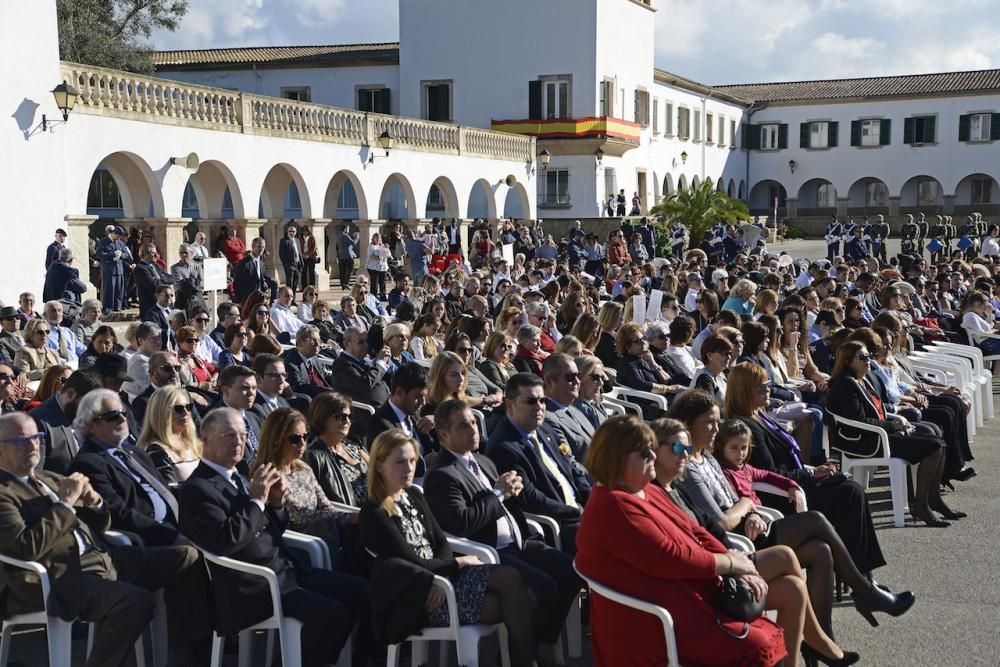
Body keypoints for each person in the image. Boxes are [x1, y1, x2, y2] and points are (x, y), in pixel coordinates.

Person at [645, 417, 865, 666]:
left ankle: (813, 646)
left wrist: (742, 542)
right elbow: (698, 539)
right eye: (677, 448)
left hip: (725, 558)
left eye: (686, 448)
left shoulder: (677, 487)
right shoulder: (658, 493)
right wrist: (734, 566)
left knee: (796, 585)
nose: (684, 454)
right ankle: (822, 640)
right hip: (704, 582)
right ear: (654, 450)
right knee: (790, 549)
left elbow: (709, 532)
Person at [574, 414, 789, 667]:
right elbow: (670, 556)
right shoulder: (613, 504)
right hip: (652, 617)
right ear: (616, 460)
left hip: (685, 591)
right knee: (756, 642)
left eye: (652, 449)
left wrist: (738, 566)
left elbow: (695, 531)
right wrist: (731, 565)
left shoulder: (646, 490)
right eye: (644, 454)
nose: (653, 457)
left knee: (783, 601)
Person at [0, 412, 212, 666]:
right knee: (134, 603)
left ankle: (184, 651)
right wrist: (66, 503)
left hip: (102, 558)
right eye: (22, 440)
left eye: (37, 437)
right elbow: (26, 548)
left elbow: (102, 525)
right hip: (57, 577)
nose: (33, 445)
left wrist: (95, 503)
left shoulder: (49, 479)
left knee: (187, 556)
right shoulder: (4, 493)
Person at [178, 408, 369, 666]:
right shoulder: (197, 489)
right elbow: (225, 541)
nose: (238, 442)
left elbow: (269, 531)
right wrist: (257, 501)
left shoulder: (239, 477)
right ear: (206, 439)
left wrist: (276, 506)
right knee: (333, 615)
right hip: (254, 584)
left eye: (243, 435)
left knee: (362, 591)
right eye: (229, 435)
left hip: (286, 570)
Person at [360, 429, 539, 666]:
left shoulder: (413, 494)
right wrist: (455, 565)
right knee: (521, 596)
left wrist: (441, 573)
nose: (409, 468)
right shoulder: (374, 512)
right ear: (380, 466)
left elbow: (441, 542)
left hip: (440, 581)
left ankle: (523, 662)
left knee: (519, 587)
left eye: (413, 461)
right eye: (400, 462)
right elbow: (408, 562)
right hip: (417, 598)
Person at [424, 399, 584, 656]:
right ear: (444, 434)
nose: (474, 429)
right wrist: (498, 494)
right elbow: (462, 524)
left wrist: (511, 491)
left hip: (519, 542)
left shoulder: (482, 461)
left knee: (572, 570)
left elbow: (505, 501)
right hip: (490, 551)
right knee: (544, 587)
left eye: (474, 422)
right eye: (464, 426)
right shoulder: (442, 474)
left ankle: (543, 641)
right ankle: (525, 656)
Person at [826, 341, 961, 526]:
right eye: (863, 357)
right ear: (848, 361)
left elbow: (875, 411)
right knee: (934, 446)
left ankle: (934, 498)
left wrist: (895, 420)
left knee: (938, 441)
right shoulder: (844, 386)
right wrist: (893, 425)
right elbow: (858, 421)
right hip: (865, 442)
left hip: (878, 434)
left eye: (869, 357)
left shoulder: (861, 380)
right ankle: (921, 505)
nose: (868, 361)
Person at [486, 373, 590, 554]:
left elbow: (571, 468)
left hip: (579, 510)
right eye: (531, 402)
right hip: (558, 523)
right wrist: (577, 513)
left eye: (542, 401)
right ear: (510, 406)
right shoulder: (503, 447)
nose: (540, 407)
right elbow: (532, 499)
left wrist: (591, 499)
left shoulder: (544, 428)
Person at [252, 407, 351, 554]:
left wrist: (349, 518)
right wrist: (348, 518)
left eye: (305, 437)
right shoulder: (266, 476)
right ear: (276, 440)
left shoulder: (303, 468)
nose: (303, 444)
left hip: (323, 534)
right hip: (299, 545)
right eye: (295, 439)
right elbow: (300, 517)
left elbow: (325, 506)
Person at [367, 362, 435, 475]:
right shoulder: (380, 423)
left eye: (424, 397)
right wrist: (424, 463)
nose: (423, 403)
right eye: (418, 397)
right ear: (399, 393)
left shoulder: (414, 415)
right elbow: (391, 466)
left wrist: (438, 421)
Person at [306, 392, 369, 507]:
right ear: (323, 418)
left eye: (350, 417)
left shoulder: (353, 444)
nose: (347, 421)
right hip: (353, 515)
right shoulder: (314, 457)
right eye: (342, 417)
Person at [136, 384, 202, 486]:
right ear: (161, 413)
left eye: (189, 407)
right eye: (179, 409)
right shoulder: (156, 450)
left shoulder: (195, 444)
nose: (186, 413)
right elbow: (170, 493)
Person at [541, 353, 594, 460]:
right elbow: (568, 463)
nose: (577, 382)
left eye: (578, 376)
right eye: (570, 377)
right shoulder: (546, 418)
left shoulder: (574, 410)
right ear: (549, 381)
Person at [330, 325, 391, 413]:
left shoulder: (364, 360)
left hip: (384, 406)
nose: (366, 345)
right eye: (361, 342)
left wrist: (385, 361)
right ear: (347, 344)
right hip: (367, 413)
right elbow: (364, 384)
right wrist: (380, 363)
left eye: (367, 341)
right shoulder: (341, 364)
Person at [282, 324, 334, 397]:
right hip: (314, 401)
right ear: (299, 342)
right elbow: (300, 387)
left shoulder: (313, 357)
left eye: (319, 340)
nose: (317, 344)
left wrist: (342, 381)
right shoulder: (291, 363)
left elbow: (324, 375)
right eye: (312, 340)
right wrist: (328, 392)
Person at [97, 225, 132, 314]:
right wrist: (112, 255)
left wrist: (120, 256)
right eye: (118, 236)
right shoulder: (104, 242)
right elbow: (100, 254)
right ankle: (108, 308)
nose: (119, 238)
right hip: (109, 270)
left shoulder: (119, 243)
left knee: (119, 290)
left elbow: (126, 254)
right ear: (113, 233)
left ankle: (118, 307)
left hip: (119, 269)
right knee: (109, 290)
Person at [232, 237, 278, 304]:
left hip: (259, 298)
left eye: (263, 247)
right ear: (253, 247)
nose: (261, 249)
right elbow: (237, 283)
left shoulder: (261, 263)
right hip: (247, 299)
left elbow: (259, 276)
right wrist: (239, 300)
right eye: (259, 247)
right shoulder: (244, 263)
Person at [278, 224, 304, 295]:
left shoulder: (297, 240)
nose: (292, 233)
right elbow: (281, 254)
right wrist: (286, 264)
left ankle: (293, 299)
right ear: (287, 232)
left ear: (296, 232)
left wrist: (301, 263)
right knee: (290, 283)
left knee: (295, 283)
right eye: (290, 231)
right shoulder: (284, 241)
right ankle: (288, 297)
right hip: (289, 265)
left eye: (293, 231)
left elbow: (299, 252)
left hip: (297, 265)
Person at [366, 232, 392, 299]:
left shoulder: (382, 245)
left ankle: (383, 295)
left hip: (383, 267)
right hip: (373, 267)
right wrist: (380, 257)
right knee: (374, 282)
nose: (378, 239)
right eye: (376, 238)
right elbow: (370, 256)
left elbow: (388, 254)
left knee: (382, 282)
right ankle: (373, 296)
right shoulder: (371, 246)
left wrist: (386, 251)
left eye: (379, 238)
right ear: (373, 239)